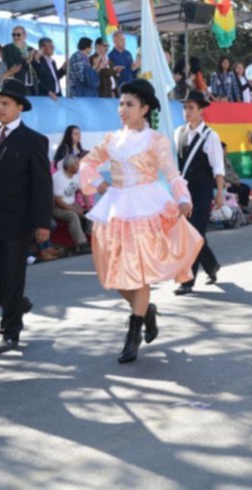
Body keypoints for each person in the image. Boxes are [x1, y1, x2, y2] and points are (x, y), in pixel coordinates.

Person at [81, 80, 203, 362]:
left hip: (147, 209)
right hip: (116, 209)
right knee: (116, 275)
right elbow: (87, 163)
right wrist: (100, 186)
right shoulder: (112, 140)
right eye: (121, 103)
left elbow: (172, 174)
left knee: (140, 272)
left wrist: (184, 199)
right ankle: (145, 310)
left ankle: (132, 335)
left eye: (129, 104)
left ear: (144, 109)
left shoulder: (155, 140)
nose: (122, 109)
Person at [0, 79, 53, 355]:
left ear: (20, 107)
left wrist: (42, 223)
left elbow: (42, 186)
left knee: (12, 275)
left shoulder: (34, 140)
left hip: (18, 221)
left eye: (5, 103)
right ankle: (16, 304)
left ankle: (9, 332)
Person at [173, 90, 224, 295]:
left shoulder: (211, 136)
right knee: (193, 235)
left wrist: (219, 193)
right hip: (184, 193)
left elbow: (218, 168)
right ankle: (211, 266)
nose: (187, 111)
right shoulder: (179, 133)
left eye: (191, 108)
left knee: (192, 236)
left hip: (202, 193)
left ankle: (187, 281)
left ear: (201, 110)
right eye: (185, 107)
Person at [53, 155, 91, 253]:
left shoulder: (76, 175)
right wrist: (76, 210)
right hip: (57, 207)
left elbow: (83, 190)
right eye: (76, 165)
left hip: (72, 204)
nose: (79, 166)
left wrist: (88, 206)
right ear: (69, 167)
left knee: (91, 214)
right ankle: (82, 244)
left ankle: (91, 239)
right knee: (72, 215)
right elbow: (58, 201)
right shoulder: (58, 178)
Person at [2, 26, 39, 94]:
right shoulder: (7, 49)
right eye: (13, 35)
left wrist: (37, 60)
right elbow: (12, 66)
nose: (16, 37)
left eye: (18, 35)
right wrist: (27, 60)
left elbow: (38, 69)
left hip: (32, 87)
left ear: (25, 35)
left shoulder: (31, 49)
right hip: (16, 85)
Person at [221, 143, 252, 209]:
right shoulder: (218, 162)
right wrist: (234, 181)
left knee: (246, 188)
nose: (227, 151)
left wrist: (237, 179)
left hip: (234, 182)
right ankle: (236, 207)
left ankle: (243, 206)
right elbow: (224, 176)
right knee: (238, 190)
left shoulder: (227, 160)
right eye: (225, 150)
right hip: (226, 184)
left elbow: (233, 171)